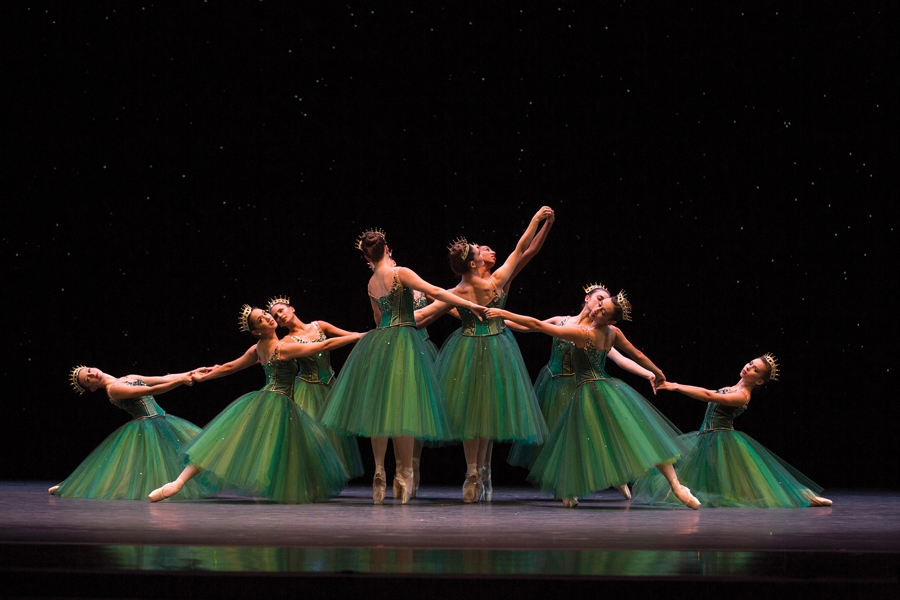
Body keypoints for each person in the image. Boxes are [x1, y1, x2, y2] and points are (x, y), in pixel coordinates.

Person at [318, 229, 487, 504]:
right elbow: (435, 292)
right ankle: (405, 473)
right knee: (403, 407)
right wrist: (468, 303)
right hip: (404, 339)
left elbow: (376, 318)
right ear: (387, 249)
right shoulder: (401, 273)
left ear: (367, 256)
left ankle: (379, 470)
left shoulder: (372, 283)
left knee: (379, 409)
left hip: (380, 340)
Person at [485, 291, 700, 509]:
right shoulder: (613, 332)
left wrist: (503, 311)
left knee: (578, 440)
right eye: (599, 304)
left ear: (611, 319)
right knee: (639, 435)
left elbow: (537, 325)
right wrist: (658, 372)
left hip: (588, 391)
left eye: (602, 310)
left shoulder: (582, 334)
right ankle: (676, 485)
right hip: (610, 389)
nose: (596, 309)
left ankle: (674, 486)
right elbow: (638, 354)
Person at [148, 306, 361, 504]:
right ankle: (301, 488)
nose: (269, 317)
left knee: (226, 441)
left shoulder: (257, 349)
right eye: (262, 319)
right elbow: (325, 345)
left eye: (266, 314)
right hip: (279, 403)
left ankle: (178, 482)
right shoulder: (282, 348)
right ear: (257, 331)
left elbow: (229, 367)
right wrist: (358, 337)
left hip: (261, 400)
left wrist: (204, 377)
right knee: (296, 446)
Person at [417, 207, 553, 502]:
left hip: (476, 346)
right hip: (491, 348)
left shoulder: (465, 287)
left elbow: (526, 251)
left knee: (483, 413)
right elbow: (521, 247)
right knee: (475, 413)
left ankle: (480, 471)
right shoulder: (496, 282)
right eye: (482, 250)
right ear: (474, 262)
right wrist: (538, 219)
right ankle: (474, 472)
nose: (488, 251)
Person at [505, 284, 656, 500]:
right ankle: (566, 486)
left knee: (588, 438)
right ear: (588, 298)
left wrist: (647, 373)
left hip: (578, 388)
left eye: (605, 302)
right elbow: (533, 326)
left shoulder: (597, 332)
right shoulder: (562, 321)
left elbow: (621, 358)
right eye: (600, 299)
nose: (602, 304)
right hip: (552, 384)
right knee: (557, 440)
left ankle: (615, 476)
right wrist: (500, 321)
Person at [631, 355, 832, 508]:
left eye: (755, 370)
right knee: (716, 483)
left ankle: (802, 496)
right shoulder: (732, 387)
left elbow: (708, 395)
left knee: (744, 489)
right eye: (751, 363)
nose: (749, 367)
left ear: (759, 381)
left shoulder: (743, 396)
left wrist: (674, 386)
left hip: (721, 439)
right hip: (705, 437)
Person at [50, 366, 209, 500]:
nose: (92, 375)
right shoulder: (113, 389)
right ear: (91, 387)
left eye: (89, 371)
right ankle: (73, 486)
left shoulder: (129, 377)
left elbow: (162, 378)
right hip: (147, 425)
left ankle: (169, 488)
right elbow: (152, 389)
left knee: (198, 448)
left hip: (163, 420)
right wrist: (180, 382)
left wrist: (192, 373)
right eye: (88, 379)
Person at [266, 296, 365, 479]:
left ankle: (329, 479)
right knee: (312, 438)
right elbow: (325, 345)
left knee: (333, 436)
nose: (280, 316)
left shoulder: (319, 326)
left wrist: (366, 337)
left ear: (292, 308)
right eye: (276, 316)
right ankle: (311, 480)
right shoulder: (286, 342)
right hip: (308, 390)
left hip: (330, 387)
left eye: (281, 311)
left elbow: (348, 336)